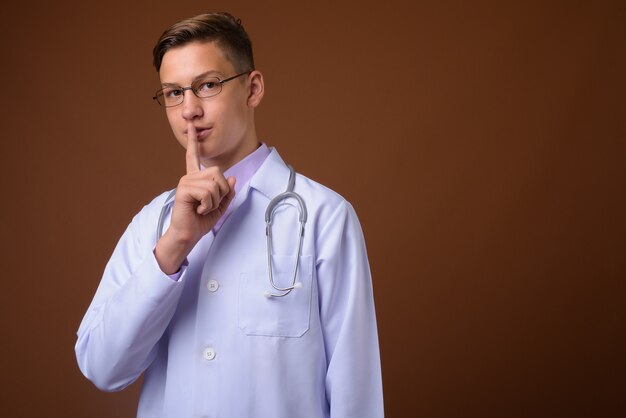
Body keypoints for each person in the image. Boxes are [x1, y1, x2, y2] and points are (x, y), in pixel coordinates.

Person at [75, 12, 383, 418]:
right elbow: (101, 367)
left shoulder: (326, 218)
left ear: (252, 89)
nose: (188, 110)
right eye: (172, 93)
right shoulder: (152, 225)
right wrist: (175, 246)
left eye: (207, 85)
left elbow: (355, 394)